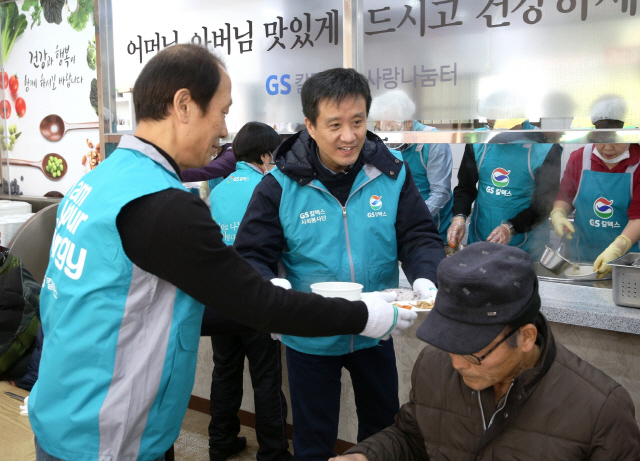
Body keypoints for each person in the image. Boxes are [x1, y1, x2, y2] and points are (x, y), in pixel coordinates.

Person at [28, 45, 417, 461]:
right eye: (221, 110)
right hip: (110, 434)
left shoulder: (100, 182)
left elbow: (146, 303)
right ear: (183, 105)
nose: (224, 129)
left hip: (62, 412)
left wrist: (270, 298)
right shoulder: (163, 204)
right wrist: (366, 314)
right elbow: (259, 304)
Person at [234, 68, 446, 461]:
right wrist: (271, 291)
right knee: (314, 440)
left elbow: (418, 236)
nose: (348, 136)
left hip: (375, 327)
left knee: (383, 433)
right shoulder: (278, 186)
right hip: (310, 336)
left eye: (358, 122)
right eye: (335, 124)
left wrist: (426, 278)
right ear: (310, 126)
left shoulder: (392, 172)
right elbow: (251, 255)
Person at [334, 242, 640, 461]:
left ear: (525, 337)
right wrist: (365, 455)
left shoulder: (601, 409)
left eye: (471, 352)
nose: (456, 364)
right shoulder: (434, 365)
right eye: (449, 343)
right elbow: (412, 438)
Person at [205, 122, 291, 461]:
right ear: (267, 155)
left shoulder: (218, 190)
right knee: (266, 377)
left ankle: (220, 441)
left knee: (224, 370)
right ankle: (272, 451)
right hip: (258, 298)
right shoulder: (270, 188)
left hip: (219, 297)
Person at [448, 91, 563, 260]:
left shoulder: (544, 146)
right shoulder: (479, 139)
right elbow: (465, 187)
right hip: (482, 235)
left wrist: (511, 228)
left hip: (527, 241)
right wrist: (459, 217)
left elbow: (544, 204)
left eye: (502, 126)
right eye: (491, 124)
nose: (496, 131)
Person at [550, 95, 640, 277]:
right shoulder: (579, 158)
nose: (607, 148)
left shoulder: (638, 164)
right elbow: (565, 197)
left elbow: (638, 217)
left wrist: (616, 249)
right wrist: (558, 213)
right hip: (581, 256)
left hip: (627, 260)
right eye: (601, 139)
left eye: (615, 140)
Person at [368, 89, 454, 241]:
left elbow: (440, 193)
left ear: (408, 121)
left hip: (431, 222)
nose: (389, 137)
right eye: (383, 129)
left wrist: (410, 219)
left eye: (393, 129)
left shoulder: (433, 140)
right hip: (398, 222)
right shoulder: (382, 138)